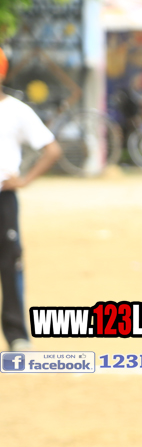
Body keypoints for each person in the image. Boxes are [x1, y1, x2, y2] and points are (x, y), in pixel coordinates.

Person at [0, 48, 62, 352]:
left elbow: (52, 150)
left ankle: (17, 335)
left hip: (3, 199)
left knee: (9, 263)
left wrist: (23, 180)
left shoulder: (16, 111)